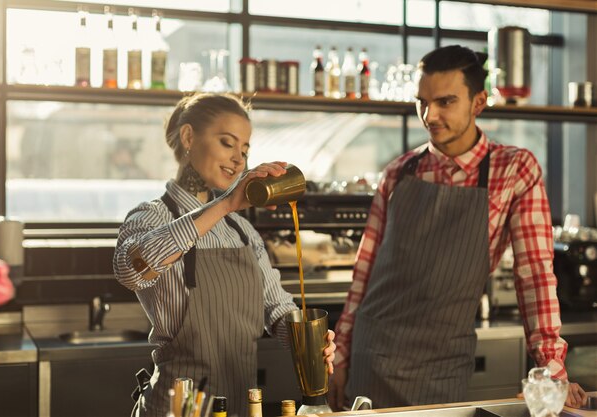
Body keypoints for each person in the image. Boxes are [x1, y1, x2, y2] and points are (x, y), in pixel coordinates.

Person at [328, 45, 588, 411]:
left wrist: (552, 369)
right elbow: (364, 274)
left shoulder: (514, 169)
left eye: (445, 102)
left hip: (443, 364)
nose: (429, 115)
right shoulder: (399, 172)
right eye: (422, 101)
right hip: (372, 355)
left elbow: (534, 276)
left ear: (478, 102)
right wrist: (339, 358)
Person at [113, 93, 336, 417]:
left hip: (242, 406)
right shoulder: (152, 216)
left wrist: (310, 341)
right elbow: (131, 270)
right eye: (227, 143)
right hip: (179, 408)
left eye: (244, 150)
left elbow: (277, 310)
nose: (238, 160)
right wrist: (227, 203)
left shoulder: (242, 230)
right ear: (189, 137)